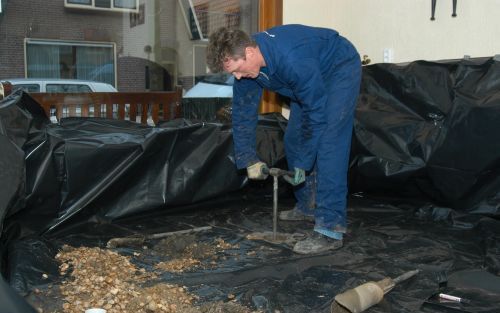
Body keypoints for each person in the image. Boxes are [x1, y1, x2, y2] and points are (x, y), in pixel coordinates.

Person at [206, 24, 361, 254]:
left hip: (338, 69)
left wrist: (303, 163)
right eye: (232, 74)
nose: (238, 77)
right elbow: (243, 113)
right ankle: (308, 206)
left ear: (249, 52)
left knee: (330, 145)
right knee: (294, 139)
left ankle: (330, 228)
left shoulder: (292, 59)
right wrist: (248, 158)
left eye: (238, 69)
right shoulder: (247, 66)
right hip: (307, 78)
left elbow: (315, 114)